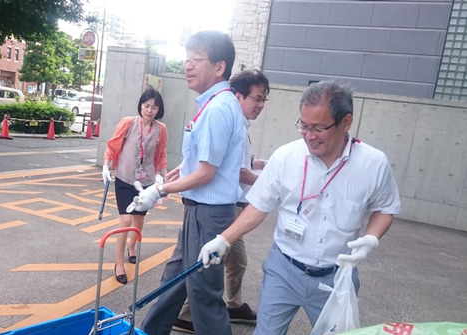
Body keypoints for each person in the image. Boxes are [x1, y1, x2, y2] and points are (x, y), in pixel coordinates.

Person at [198, 81, 401, 335]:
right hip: (284, 270)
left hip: (336, 278)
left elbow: (385, 207)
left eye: (318, 127)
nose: (309, 135)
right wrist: (225, 239)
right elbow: (258, 206)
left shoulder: (373, 163)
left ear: (346, 122)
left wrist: (371, 238)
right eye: (304, 126)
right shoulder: (286, 157)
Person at [128, 30, 244, 335]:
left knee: (204, 294)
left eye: (196, 60)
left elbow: (207, 174)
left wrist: (159, 189)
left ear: (219, 67)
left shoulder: (219, 108)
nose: (187, 66)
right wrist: (179, 171)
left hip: (209, 214)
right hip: (198, 212)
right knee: (174, 281)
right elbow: (201, 162)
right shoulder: (210, 103)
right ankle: (148, 332)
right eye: (186, 59)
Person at [173, 69, 270, 333]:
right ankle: (196, 314)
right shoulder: (223, 114)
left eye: (263, 100)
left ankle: (185, 315)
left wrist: (264, 166)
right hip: (218, 210)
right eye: (256, 99)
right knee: (206, 276)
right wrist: (164, 188)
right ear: (237, 95)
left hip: (221, 209)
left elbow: (238, 164)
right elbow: (225, 170)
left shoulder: (232, 118)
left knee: (193, 269)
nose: (260, 105)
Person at [102, 87, 168, 285]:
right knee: (125, 221)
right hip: (124, 178)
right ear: (141, 105)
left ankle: (132, 247)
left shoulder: (161, 129)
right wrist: (106, 166)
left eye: (154, 107)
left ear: (159, 110)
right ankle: (119, 264)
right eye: (146, 106)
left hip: (146, 182)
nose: (149, 110)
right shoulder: (129, 123)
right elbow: (112, 145)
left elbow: (162, 154)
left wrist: (165, 177)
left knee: (138, 220)